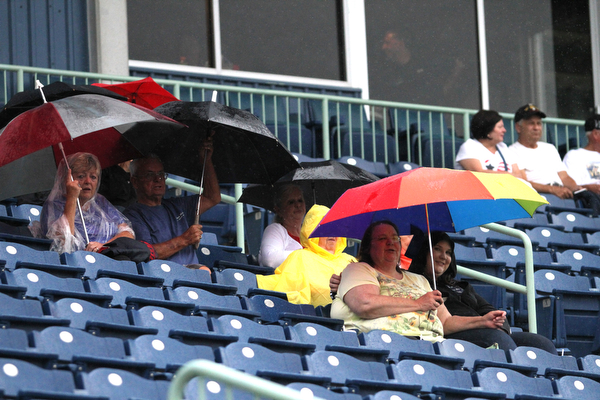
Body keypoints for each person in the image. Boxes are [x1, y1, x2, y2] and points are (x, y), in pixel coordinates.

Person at [330, 221, 506, 342]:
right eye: (382, 239)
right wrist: (418, 303)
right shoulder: (358, 269)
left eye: (395, 239)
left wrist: (483, 321)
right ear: (368, 247)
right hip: (383, 341)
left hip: (432, 344)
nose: (391, 243)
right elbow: (365, 304)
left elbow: (445, 322)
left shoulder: (419, 280)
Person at [408, 231, 557, 353]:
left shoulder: (461, 286)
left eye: (448, 252)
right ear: (424, 253)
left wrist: (500, 325)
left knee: (542, 344)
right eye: (437, 249)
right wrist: (488, 326)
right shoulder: (417, 283)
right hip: (453, 334)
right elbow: (442, 323)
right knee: (499, 340)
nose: (443, 257)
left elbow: (488, 309)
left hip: (486, 329)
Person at [124, 138, 221, 267]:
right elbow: (146, 253)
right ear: (135, 182)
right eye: (149, 175)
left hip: (195, 278)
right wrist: (184, 240)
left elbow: (213, 197)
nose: (158, 179)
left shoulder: (177, 205)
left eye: (161, 174)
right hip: (166, 279)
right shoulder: (132, 215)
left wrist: (206, 160)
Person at [256, 204, 356, 307]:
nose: (332, 233)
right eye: (325, 228)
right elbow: (286, 286)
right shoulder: (301, 257)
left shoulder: (350, 260)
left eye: (335, 228)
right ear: (312, 231)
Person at [37, 152, 135, 254]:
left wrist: (103, 246)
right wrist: (72, 198)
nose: (88, 181)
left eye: (93, 177)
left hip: (107, 258)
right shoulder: (54, 205)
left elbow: (127, 233)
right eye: (81, 176)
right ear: (67, 178)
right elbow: (63, 246)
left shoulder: (100, 202)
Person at [508, 104, 583, 199]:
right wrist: (552, 189)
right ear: (518, 127)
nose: (536, 128)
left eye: (539, 123)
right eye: (531, 123)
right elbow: (524, 183)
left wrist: (578, 189)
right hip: (539, 197)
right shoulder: (512, 151)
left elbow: (564, 177)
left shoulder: (549, 148)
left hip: (562, 195)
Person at [455, 109, 524, 177]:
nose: (504, 130)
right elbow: (479, 173)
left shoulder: (503, 148)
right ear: (487, 130)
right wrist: (507, 175)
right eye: (500, 127)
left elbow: (518, 175)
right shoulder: (470, 147)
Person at [258, 184, 305, 269]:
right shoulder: (274, 230)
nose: (298, 205)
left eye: (300, 200)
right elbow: (270, 260)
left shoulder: (310, 232)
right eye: (291, 202)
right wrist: (306, 254)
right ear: (278, 210)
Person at [563, 114, 600, 195]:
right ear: (595, 134)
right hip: (590, 201)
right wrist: (589, 187)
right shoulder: (574, 156)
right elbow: (571, 186)